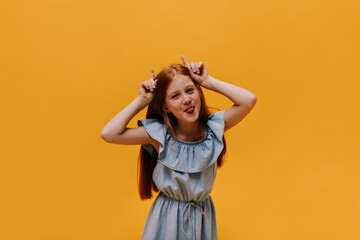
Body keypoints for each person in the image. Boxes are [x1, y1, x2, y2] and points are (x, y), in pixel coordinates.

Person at [100, 55, 257, 240]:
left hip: (202, 218)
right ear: (165, 107)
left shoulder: (213, 129)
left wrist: (207, 81)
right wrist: (142, 100)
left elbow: (249, 100)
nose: (186, 100)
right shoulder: (160, 136)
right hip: (166, 220)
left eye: (190, 90)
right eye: (175, 96)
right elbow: (108, 134)